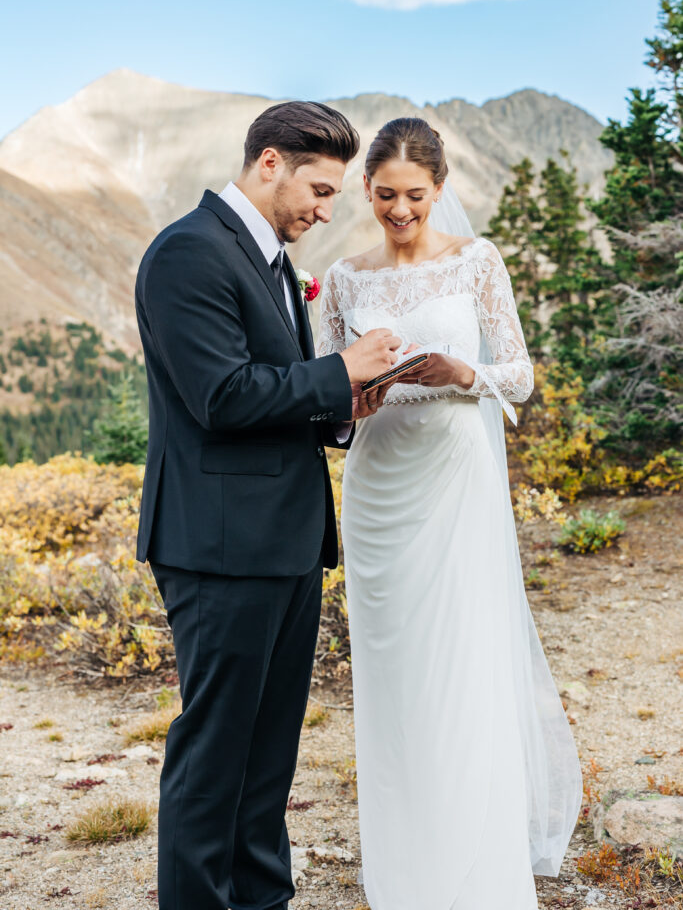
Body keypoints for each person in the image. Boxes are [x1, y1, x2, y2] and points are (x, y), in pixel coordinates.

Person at [134, 100, 402, 910]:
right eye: (319, 191)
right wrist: (340, 369)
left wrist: (338, 408)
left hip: (281, 544)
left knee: (266, 757)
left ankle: (261, 901)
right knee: (216, 757)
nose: (326, 211)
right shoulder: (188, 253)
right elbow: (217, 395)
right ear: (269, 164)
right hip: (218, 549)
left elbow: (269, 391)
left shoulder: (273, 263)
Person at [317, 117, 583, 910]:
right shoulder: (342, 280)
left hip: (455, 475)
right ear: (367, 189)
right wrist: (355, 397)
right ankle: (407, 867)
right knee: (395, 675)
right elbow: (328, 398)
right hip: (378, 488)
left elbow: (521, 375)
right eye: (387, 196)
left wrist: (464, 370)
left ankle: (476, 868)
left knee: (462, 663)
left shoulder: (476, 261)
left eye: (416, 197)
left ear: (440, 191)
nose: (400, 211)